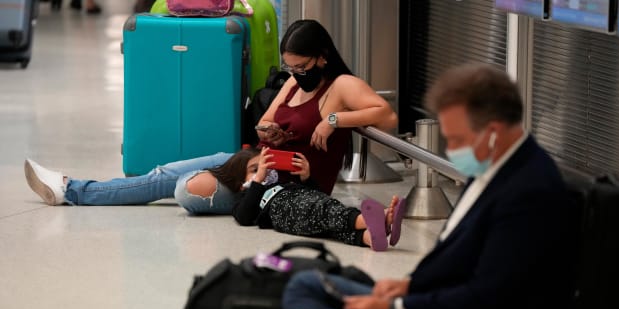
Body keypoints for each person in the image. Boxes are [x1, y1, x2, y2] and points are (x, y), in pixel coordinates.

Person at [117, 63, 571, 309]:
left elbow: (485, 300)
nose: (450, 151)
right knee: (308, 285)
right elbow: (460, 261)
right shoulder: (495, 167)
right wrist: (406, 284)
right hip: (428, 305)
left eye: (454, 140)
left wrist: (396, 307)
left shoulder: (528, 193)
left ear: (492, 130)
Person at [23, 19, 397, 214]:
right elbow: (264, 122)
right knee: (163, 176)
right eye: (289, 67)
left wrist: (332, 121)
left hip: (289, 183)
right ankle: (73, 189)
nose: (295, 73)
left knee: (181, 188)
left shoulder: (341, 85)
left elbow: (387, 116)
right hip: (257, 162)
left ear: (322, 57)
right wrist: (272, 131)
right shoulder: (294, 85)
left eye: (301, 66)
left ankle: (73, 191)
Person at [232, 147, 406, 251]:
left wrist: (307, 178)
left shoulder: (285, 183)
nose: (263, 172)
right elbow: (244, 217)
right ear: (241, 183)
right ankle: (376, 218)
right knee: (323, 211)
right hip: (284, 210)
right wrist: (257, 181)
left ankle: (370, 237)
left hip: (310, 203)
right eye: (255, 169)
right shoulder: (245, 195)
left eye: (266, 168)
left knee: (332, 221)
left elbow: (317, 194)